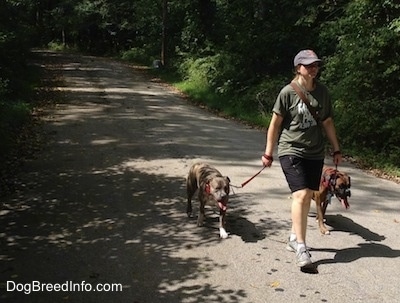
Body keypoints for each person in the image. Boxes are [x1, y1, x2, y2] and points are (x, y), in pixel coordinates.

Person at [261, 49, 342, 269]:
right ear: (299, 68)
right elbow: (275, 124)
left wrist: (336, 148)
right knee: (302, 194)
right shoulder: (287, 92)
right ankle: (302, 247)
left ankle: (293, 236)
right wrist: (268, 152)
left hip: (315, 152)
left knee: (306, 199)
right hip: (291, 150)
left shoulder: (323, 92)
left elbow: (327, 121)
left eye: (316, 65)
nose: (314, 68)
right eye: (309, 65)